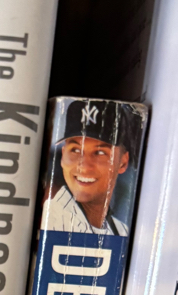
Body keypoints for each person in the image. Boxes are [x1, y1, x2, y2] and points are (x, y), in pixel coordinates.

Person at [41, 98, 139, 236]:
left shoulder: (122, 230)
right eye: (75, 150)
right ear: (63, 156)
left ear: (123, 162)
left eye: (100, 153)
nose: (84, 167)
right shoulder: (51, 219)